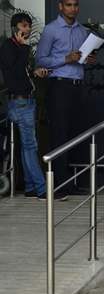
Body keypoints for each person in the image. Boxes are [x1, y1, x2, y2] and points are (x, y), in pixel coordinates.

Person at [0, 13, 67, 201]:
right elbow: (12, 70)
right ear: (15, 28)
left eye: (29, 26)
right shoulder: (8, 46)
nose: (28, 29)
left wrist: (35, 72)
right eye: (23, 26)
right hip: (19, 102)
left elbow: (20, 72)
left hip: (26, 101)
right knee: (30, 146)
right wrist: (23, 48)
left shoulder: (19, 48)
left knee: (26, 147)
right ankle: (42, 189)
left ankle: (30, 187)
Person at [36, 0, 95, 195]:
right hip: (59, 86)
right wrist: (65, 59)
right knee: (59, 135)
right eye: (69, 5)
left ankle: (72, 183)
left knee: (75, 134)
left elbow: (84, 58)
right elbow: (41, 60)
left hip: (78, 87)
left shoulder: (83, 31)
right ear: (61, 6)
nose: (73, 8)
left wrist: (89, 60)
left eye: (76, 5)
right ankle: (59, 186)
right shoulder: (50, 30)